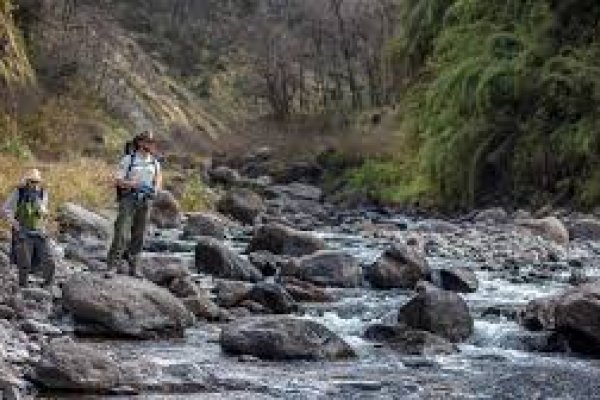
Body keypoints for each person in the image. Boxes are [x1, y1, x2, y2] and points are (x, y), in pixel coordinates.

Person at [107, 131, 162, 277]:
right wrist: (133, 184)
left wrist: (155, 190)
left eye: (152, 142)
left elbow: (158, 181)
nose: (151, 145)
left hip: (145, 202)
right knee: (121, 233)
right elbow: (117, 181)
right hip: (129, 200)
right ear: (140, 143)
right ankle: (112, 266)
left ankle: (134, 267)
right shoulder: (128, 160)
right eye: (148, 142)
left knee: (140, 235)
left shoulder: (155, 163)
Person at [2, 168, 56, 288]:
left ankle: (48, 283)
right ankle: (23, 286)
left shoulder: (43, 193)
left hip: (39, 231)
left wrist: (44, 216)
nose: (34, 184)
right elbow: (5, 210)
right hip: (23, 231)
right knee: (24, 262)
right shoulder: (18, 192)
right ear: (27, 181)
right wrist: (15, 224)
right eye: (31, 181)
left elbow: (45, 212)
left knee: (49, 259)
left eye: (36, 181)